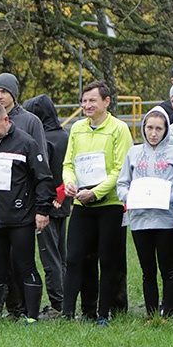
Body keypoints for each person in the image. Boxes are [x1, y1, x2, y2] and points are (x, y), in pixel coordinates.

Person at [0, 99, 54, 322]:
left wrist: (42, 210)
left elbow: (43, 178)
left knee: (25, 266)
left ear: (6, 120)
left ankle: (31, 315)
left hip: (20, 219)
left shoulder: (26, 142)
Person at [61, 80, 131, 324]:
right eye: (84, 101)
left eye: (92, 100)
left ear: (106, 102)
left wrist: (97, 192)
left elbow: (120, 170)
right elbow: (68, 163)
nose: (87, 105)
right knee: (75, 258)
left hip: (109, 204)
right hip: (81, 203)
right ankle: (70, 312)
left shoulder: (119, 129)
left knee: (107, 260)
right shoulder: (78, 128)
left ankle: (104, 313)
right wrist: (69, 182)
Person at [0, 73, 48, 318]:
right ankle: (7, 308)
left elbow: (40, 162)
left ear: (13, 93)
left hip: (24, 207)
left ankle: (29, 309)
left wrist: (40, 206)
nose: (0, 96)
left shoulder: (30, 121)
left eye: (4, 91)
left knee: (23, 262)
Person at [117, 107, 173, 318]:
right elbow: (122, 183)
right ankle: (151, 313)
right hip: (139, 220)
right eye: (149, 128)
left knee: (168, 268)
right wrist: (130, 197)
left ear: (166, 130)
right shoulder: (134, 152)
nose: (153, 133)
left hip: (165, 219)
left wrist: (170, 198)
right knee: (148, 271)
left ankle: (169, 311)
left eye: (158, 128)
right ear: (143, 128)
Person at [23, 94, 71, 318]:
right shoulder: (64, 135)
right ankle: (65, 299)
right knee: (61, 255)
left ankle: (58, 304)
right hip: (63, 202)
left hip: (47, 204)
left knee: (49, 256)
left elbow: (43, 174)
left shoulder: (44, 139)